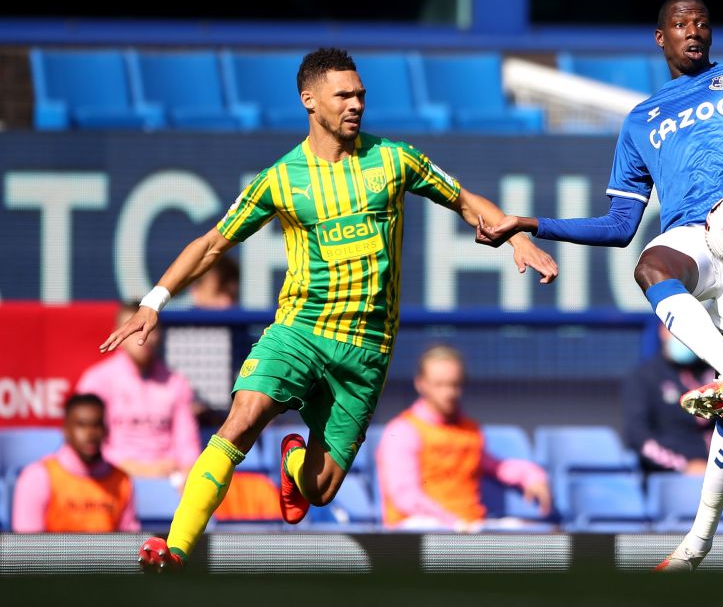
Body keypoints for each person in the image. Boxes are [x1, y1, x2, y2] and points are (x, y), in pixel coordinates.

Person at [99, 47, 558, 572]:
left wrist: (514, 236)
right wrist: (153, 301)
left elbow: (464, 199)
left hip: (366, 350)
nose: (356, 103)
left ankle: (294, 460)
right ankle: (175, 546)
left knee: (319, 490)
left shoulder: (393, 160)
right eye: (344, 95)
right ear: (310, 101)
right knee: (243, 418)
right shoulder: (282, 179)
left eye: (361, 94)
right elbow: (211, 245)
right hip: (300, 329)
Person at [477, 0, 723, 571]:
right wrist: (530, 222)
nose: (693, 31)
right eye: (680, 24)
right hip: (695, 236)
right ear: (660, 38)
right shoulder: (643, 120)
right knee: (650, 265)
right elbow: (620, 226)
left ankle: (697, 544)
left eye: (702, 23)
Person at [377, 345, 551, 530]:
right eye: (440, 384)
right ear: (420, 384)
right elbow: (406, 496)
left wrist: (532, 476)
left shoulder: (469, 430)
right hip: (421, 529)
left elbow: (494, 465)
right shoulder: (403, 430)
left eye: (454, 384)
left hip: (470, 526)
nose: (449, 393)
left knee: (533, 534)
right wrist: (453, 523)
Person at [78, 302, 201, 481]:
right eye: (135, 329)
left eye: (150, 329)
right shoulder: (97, 381)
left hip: (169, 479)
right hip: (111, 476)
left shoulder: (177, 383)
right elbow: (89, 441)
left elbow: (187, 443)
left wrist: (188, 472)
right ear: (118, 334)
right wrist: (129, 467)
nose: (144, 336)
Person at [12, 393, 139, 533]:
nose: (90, 434)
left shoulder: (122, 481)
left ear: (105, 429)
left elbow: (129, 542)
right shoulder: (38, 477)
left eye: (96, 425)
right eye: (81, 425)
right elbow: (26, 547)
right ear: (66, 429)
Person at [622, 325, 716, 475]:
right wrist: (684, 466)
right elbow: (637, 436)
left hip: (720, 472)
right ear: (663, 331)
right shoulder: (644, 376)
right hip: (670, 476)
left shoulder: (714, 373)